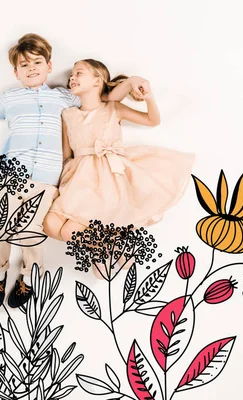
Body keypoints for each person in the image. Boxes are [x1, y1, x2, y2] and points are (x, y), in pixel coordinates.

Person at [0, 35, 140, 308]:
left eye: (37, 62)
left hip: (46, 179)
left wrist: (133, 84)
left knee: (31, 232)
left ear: (49, 66)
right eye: (24, 65)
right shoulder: (10, 98)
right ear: (16, 72)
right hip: (10, 175)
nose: (31, 68)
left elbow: (104, 96)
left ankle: (27, 278)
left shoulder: (65, 97)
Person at [43, 59, 196, 279]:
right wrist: (62, 183)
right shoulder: (68, 115)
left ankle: (106, 248)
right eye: (71, 76)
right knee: (50, 225)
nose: (72, 78)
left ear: (97, 81)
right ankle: (106, 246)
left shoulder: (112, 108)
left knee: (68, 230)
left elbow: (153, 120)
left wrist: (149, 96)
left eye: (79, 73)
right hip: (78, 179)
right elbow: (67, 156)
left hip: (108, 178)